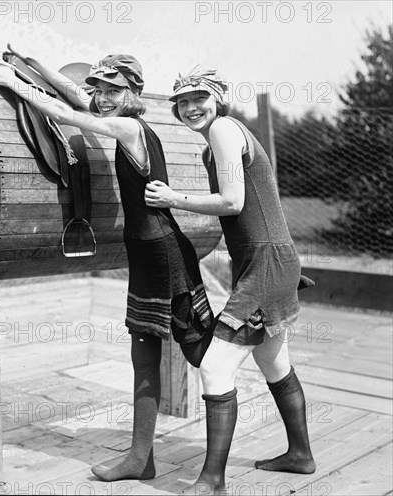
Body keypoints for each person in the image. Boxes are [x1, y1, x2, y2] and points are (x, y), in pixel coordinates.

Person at [0, 49, 215, 482]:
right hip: (147, 253)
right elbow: (74, 94)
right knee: (144, 353)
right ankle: (140, 458)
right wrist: (33, 63)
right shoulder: (119, 115)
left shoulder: (128, 126)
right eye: (101, 89)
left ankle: (261, 372)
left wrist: (10, 81)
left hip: (164, 255)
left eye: (114, 90)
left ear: (134, 93)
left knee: (205, 354)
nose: (104, 97)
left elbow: (66, 113)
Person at [144, 65, 316, 494]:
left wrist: (172, 199)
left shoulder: (222, 129)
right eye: (182, 102)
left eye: (198, 98)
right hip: (265, 261)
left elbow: (233, 202)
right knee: (273, 361)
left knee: (215, 367)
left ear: (217, 97)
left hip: (265, 266)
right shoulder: (220, 139)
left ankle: (213, 481)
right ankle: (300, 455)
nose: (190, 108)